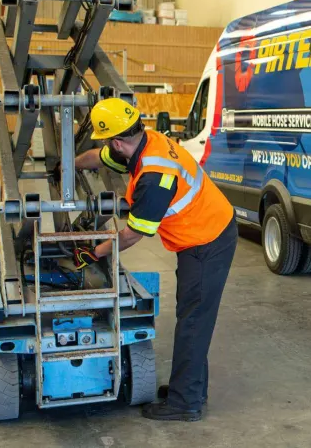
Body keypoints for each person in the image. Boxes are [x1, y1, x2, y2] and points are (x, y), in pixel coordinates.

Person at [71, 98, 236, 422]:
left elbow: (134, 233)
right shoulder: (145, 141)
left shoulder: (154, 175)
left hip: (207, 241)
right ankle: (190, 388)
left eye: (108, 142)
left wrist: (90, 253)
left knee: (193, 321)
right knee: (194, 317)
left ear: (118, 141)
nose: (107, 148)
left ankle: (184, 403)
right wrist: (69, 164)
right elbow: (98, 159)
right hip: (204, 233)